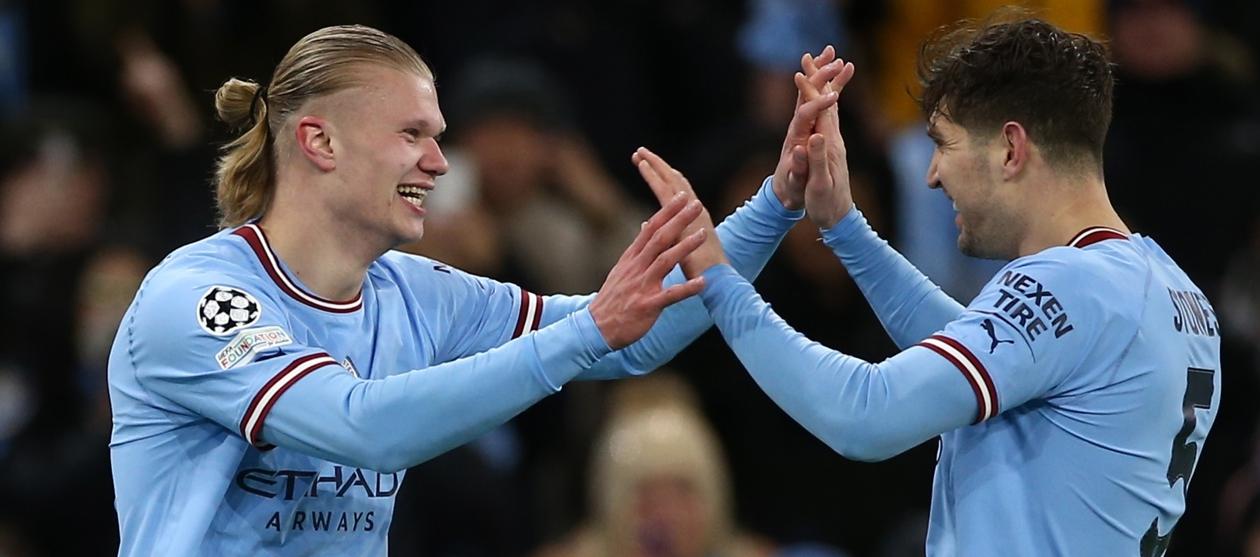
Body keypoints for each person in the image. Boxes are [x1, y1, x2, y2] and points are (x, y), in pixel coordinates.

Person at [107, 24, 849, 556]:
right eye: (411, 134)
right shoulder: (201, 298)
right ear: (319, 141)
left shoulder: (418, 293)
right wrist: (586, 330)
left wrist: (773, 207)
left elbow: (634, 338)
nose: (439, 161)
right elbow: (364, 425)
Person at [646, 13, 1222, 557]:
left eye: (943, 144)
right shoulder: (1170, 292)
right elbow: (984, 347)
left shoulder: (1071, 286)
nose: (931, 173)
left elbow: (865, 414)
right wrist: (845, 229)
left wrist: (720, 279)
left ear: (1011, 148)